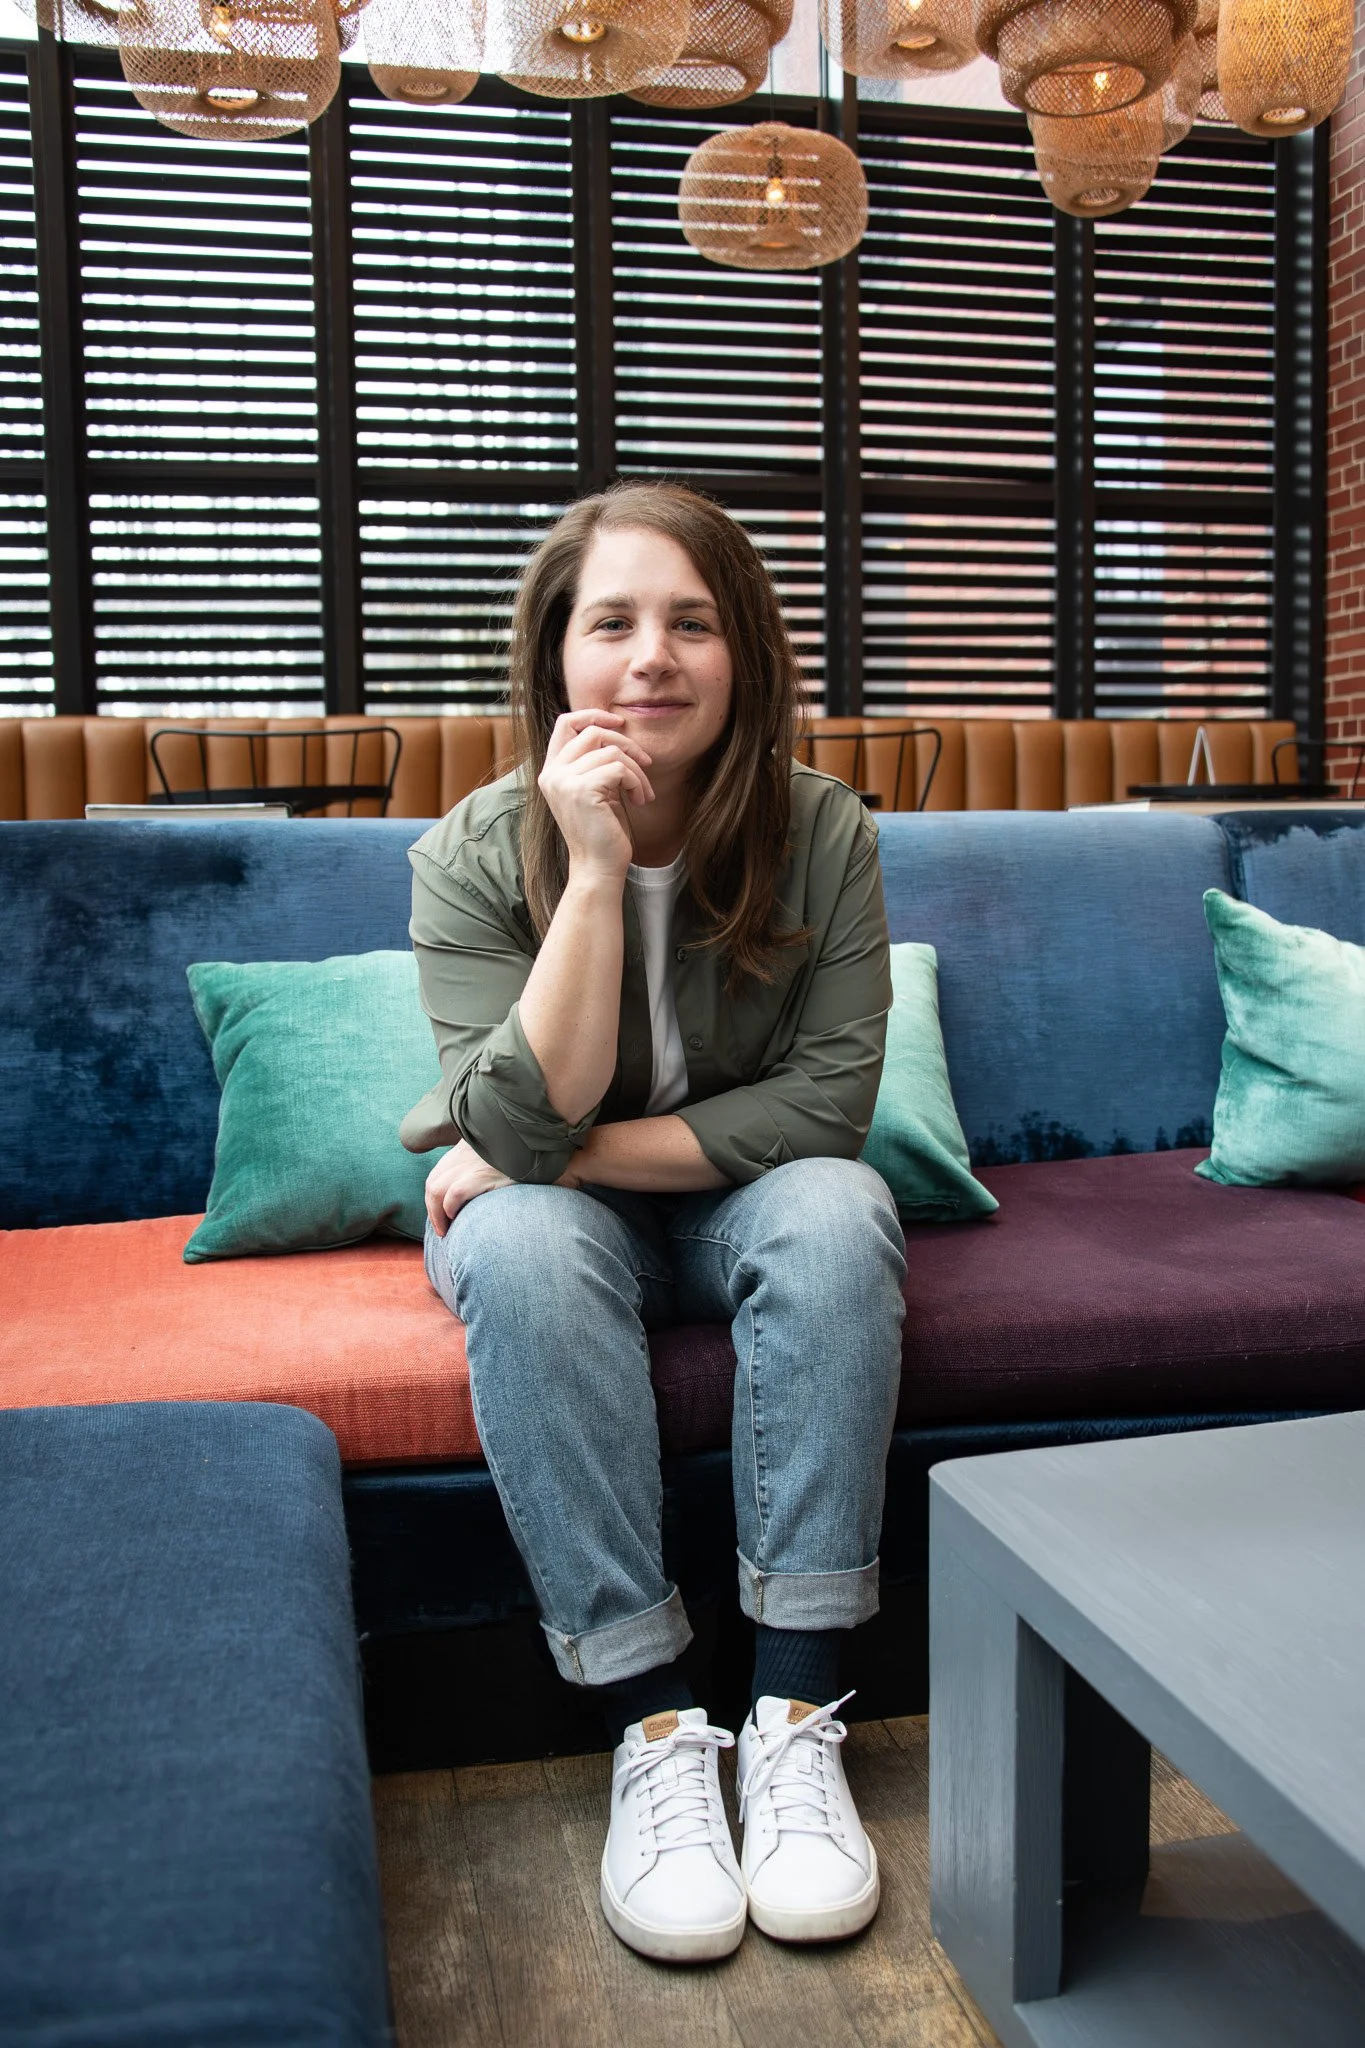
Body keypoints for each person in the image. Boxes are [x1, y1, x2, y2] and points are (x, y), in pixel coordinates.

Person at [402, 482, 906, 1964]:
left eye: (691, 621)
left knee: (838, 1207)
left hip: (737, 1205)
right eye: (610, 622)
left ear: (742, 649)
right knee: (516, 1240)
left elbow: (824, 1110)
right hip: (560, 1233)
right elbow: (508, 1136)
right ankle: (657, 1731)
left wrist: (552, 1149)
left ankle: (798, 1714)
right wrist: (598, 870)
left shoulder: (826, 834)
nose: (651, 657)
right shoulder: (471, 856)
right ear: (555, 656)